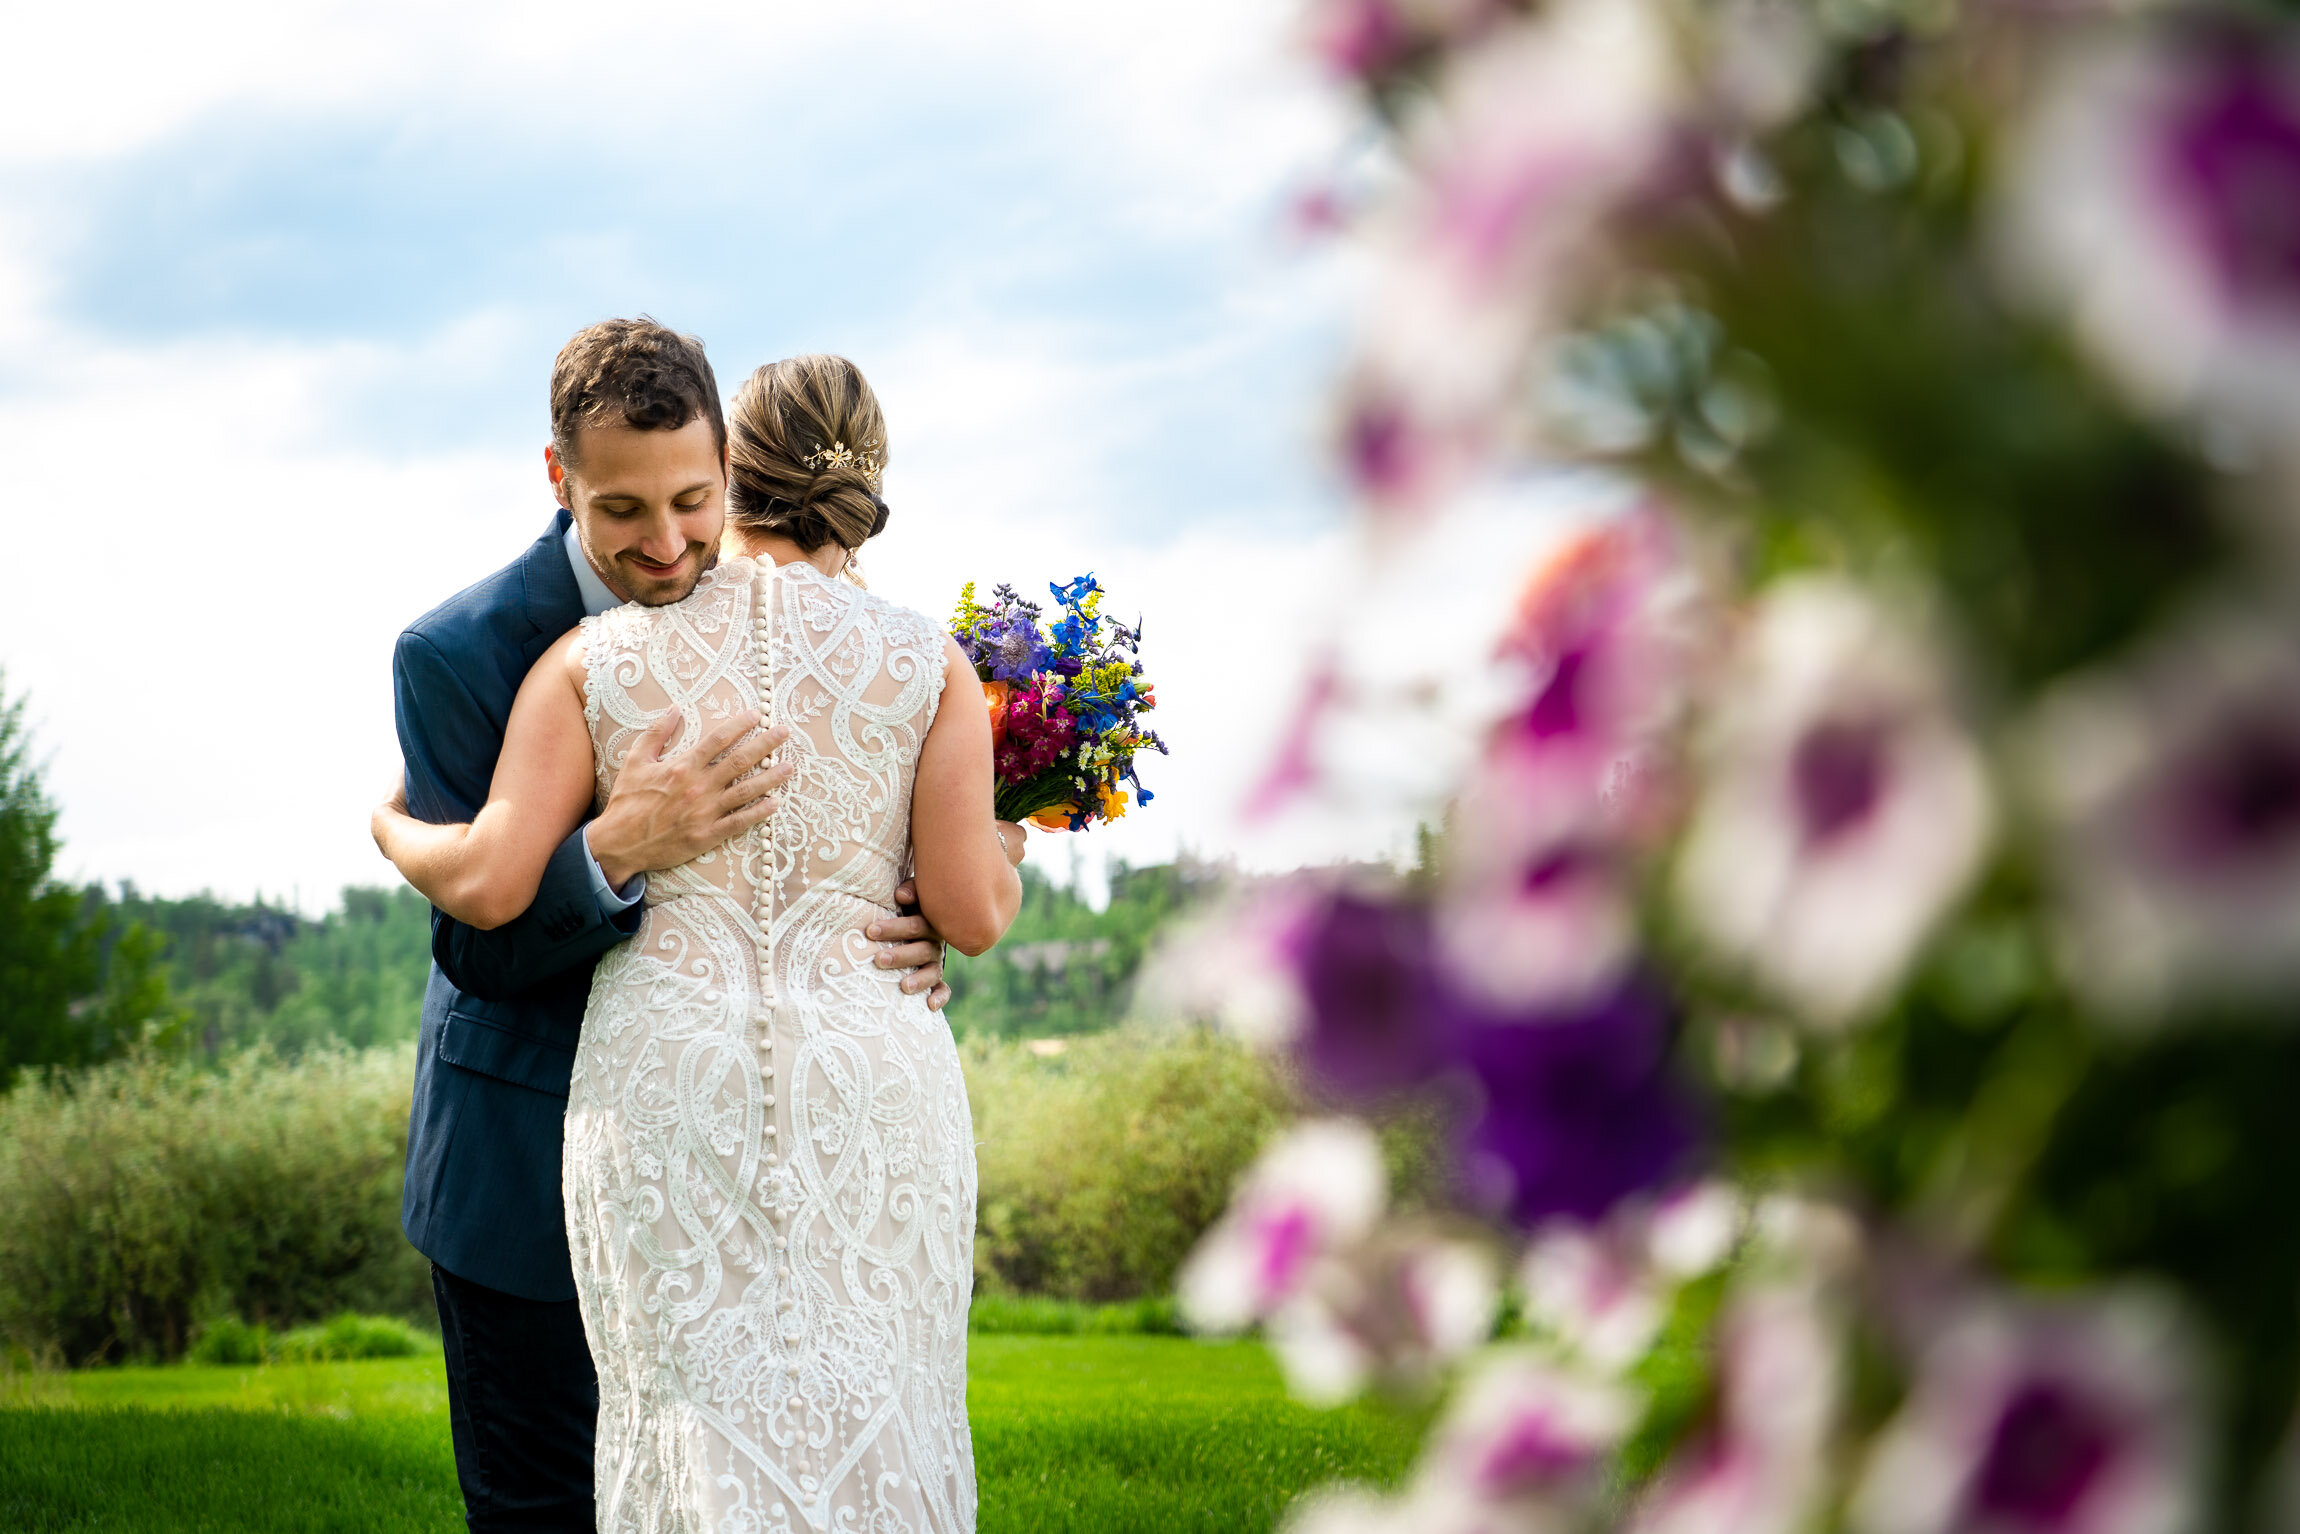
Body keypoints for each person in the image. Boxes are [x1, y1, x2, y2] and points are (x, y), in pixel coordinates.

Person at [376, 352, 1021, 1534]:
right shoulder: (921, 657)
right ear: (562, 482)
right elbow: (975, 912)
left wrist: (393, 828)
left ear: (730, 470)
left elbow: (482, 875)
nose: (665, 541)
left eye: (687, 502)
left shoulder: (591, 661)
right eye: (624, 508)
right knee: (876, 1419)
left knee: (691, 1436)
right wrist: (993, 855)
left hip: (662, 1085)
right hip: (839, 1085)